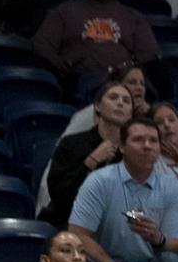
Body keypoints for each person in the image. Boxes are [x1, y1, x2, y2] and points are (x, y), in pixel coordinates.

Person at [68, 113, 178, 262]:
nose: (147, 146)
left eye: (153, 141)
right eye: (138, 140)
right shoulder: (99, 180)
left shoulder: (174, 187)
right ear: (122, 147)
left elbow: (177, 243)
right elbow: (78, 233)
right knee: (83, 260)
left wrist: (158, 238)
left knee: (171, 260)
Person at [31, 0, 158, 89]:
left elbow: (149, 54)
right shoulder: (65, 10)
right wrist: (57, 62)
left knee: (158, 71)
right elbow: (41, 44)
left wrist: (127, 66)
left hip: (120, 82)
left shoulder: (133, 16)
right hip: (76, 80)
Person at [44, 80, 136, 229]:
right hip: (69, 224)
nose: (120, 103)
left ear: (131, 115)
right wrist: (91, 162)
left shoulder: (133, 155)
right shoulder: (72, 143)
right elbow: (60, 198)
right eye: (113, 97)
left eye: (126, 101)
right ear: (98, 106)